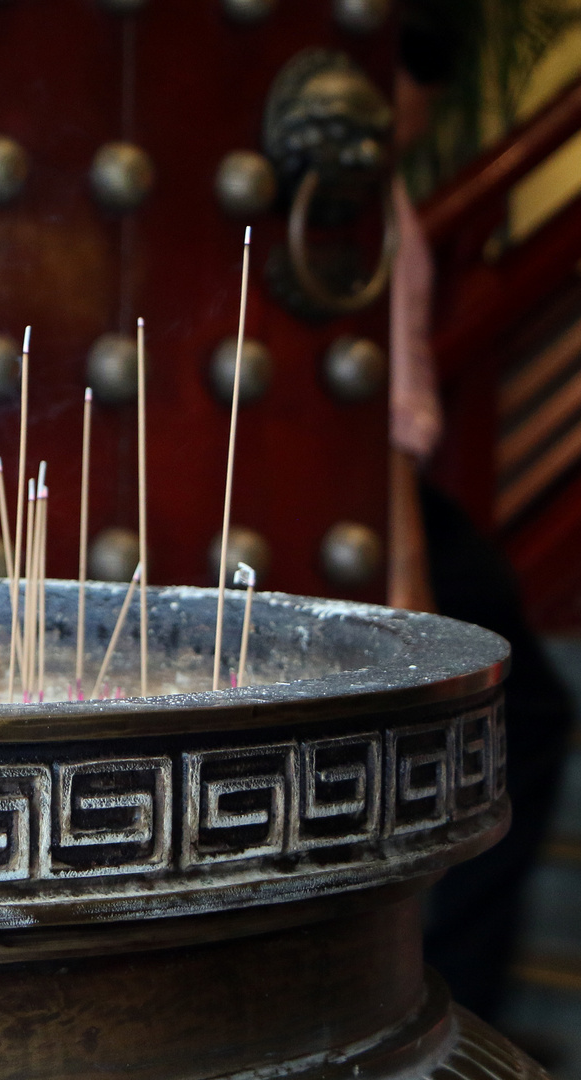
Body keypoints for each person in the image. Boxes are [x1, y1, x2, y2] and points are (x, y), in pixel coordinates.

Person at [395, 0, 579, 1024]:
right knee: (524, 712)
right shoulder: (363, 191)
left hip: (395, 502)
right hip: (392, 507)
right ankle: (450, 1003)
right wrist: (408, 571)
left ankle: (443, 1000)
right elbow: (381, 412)